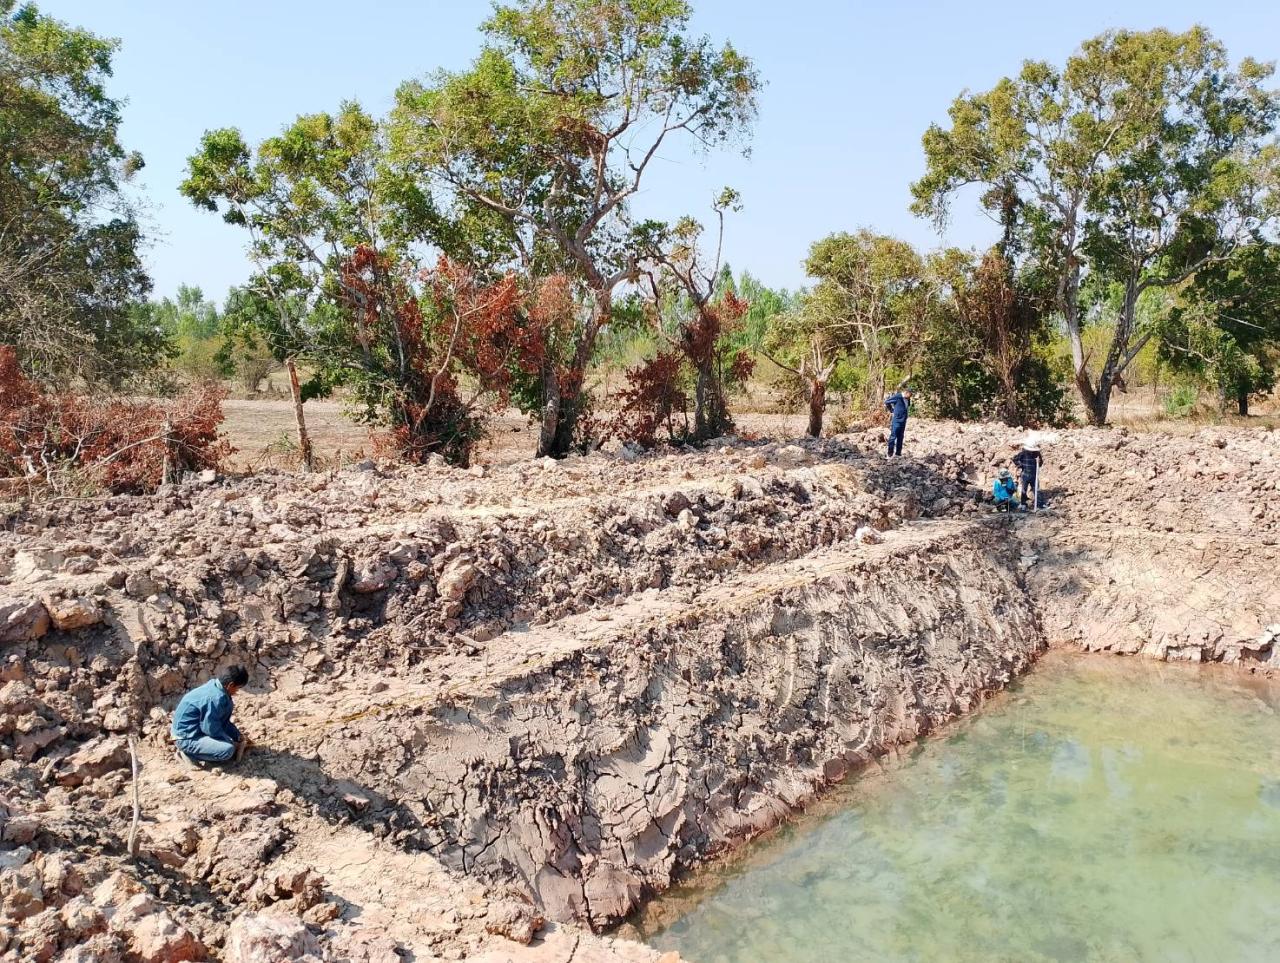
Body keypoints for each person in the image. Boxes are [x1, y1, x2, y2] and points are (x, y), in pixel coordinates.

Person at [171, 665, 250, 767]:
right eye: (238, 688)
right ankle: (188, 754)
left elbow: (222, 722)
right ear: (230, 685)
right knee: (227, 750)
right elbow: (210, 729)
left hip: (196, 730)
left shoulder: (218, 688)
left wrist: (237, 736)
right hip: (186, 737)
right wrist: (230, 741)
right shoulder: (214, 699)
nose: (237, 692)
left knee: (228, 741)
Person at [1012, 438, 1044, 510]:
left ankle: (1039, 504)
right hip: (1025, 474)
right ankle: (1023, 504)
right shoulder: (1023, 453)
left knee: (1036, 489)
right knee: (1024, 490)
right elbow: (1014, 459)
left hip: (1034, 475)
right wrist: (1021, 465)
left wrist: (1039, 462)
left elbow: (1041, 463)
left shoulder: (1037, 454)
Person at [883, 388, 912, 457]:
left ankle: (898, 454)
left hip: (903, 420)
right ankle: (889, 454)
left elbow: (906, 407)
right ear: (906, 392)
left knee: (900, 437)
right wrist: (892, 410)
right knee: (893, 436)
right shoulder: (898, 397)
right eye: (910, 395)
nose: (910, 397)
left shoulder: (908, 399)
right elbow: (887, 402)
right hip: (897, 420)